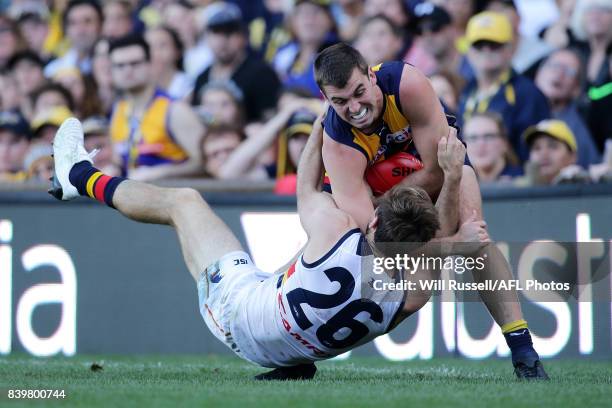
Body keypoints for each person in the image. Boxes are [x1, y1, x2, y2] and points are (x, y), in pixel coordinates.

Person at [48, 113, 503, 381]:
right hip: (287, 351)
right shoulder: (414, 293)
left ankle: (78, 177)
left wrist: (327, 126)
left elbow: (306, 182)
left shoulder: (336, 232)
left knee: (184, 203)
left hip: (237, 311)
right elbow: (433, 243)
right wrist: (455, 182)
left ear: (376, 218)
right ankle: (294, 364)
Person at [314, 43, 548, 379]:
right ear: (326, 99)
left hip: (434, 165)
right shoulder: (337, 143)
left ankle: (523, 351)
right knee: (406, 296)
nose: (354, 108)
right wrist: (450, 242)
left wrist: (389, 198)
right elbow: (377, 242)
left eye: (359, 92)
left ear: (371, 74)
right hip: (380, 191)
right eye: (340, 102)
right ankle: (303, 349)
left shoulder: (406, 83)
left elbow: (440, 170)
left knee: (477, 237)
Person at [108, 34, 203, 181]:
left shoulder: (175, 110)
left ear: (150, 64)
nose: (127, 70)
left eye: (135, 63)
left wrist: (162, 172)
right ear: (112, 71)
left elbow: (204, 162)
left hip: (170, 197)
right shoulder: (119, 110)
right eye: (120, 65)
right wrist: (113, 167)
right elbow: (119, 158)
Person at [458, 11, 551, 162]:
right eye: (479, 45)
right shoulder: (466, 91)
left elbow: (534, 151)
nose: (486, 51)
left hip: (513, 182)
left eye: (494, 45)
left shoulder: (527, 93)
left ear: (511, 48)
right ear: (468, 51)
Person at [192, 2, 281, 122]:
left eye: (230, 32)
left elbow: (271, 119)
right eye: (216, 32)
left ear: (244, 37)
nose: (223, 40)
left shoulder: (262, 74)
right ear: (207, 38)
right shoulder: (201, 78)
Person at [535, 48, 600, 166]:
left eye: (569, 71)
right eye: (554, 65)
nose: (559, 73)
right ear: (538, 73)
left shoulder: (577, 131)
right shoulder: (519, 108)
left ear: (577, 89)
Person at [44, 0, 103, 77]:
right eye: (73, 23)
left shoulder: (113, 67)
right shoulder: (52, 71)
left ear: (101, 26)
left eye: (87, 21)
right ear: (65, 30)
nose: (81, 29)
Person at [464, 111, 522, 184]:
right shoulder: (460, 185)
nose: (480, 144)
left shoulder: (523, 181)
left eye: (488, 136)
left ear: (504, 143)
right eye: (473, 138)